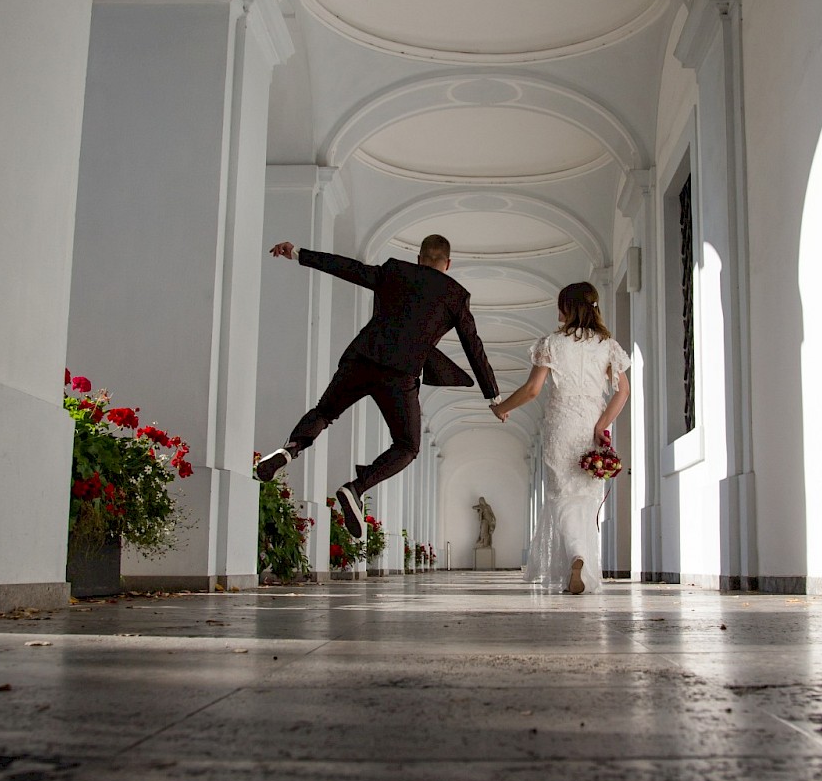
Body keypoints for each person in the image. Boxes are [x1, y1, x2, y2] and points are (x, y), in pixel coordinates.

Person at [256, 233, 499, 540]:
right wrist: (493, 395)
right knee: (407, 446)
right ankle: (355, 488)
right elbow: (473, 348)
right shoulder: (456, 295)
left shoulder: (395, 270)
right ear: (448, 263)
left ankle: (290, 449)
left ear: (419, 258)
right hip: (400, 376)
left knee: (325, 411)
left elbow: (349, 268)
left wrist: (298, 253)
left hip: (361, 358)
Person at [492, 282, 629, 595]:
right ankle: (580, 560)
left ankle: (576, 556)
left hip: (561, 427)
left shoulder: (551, 343)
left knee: (562, 496)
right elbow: (623, 391)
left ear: (565, 308)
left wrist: (502, 408)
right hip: (590, 428)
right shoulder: (607, 345)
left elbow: (532, 390)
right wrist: (602, 425)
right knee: (586, 499)